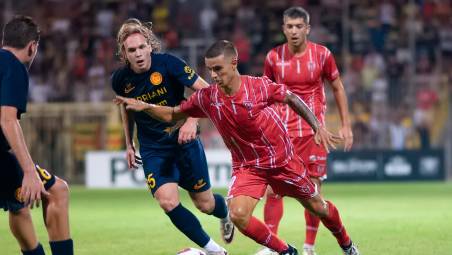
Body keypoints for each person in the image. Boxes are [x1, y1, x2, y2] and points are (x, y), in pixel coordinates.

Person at [115, 40, 360, 255]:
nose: (213, 75)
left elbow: (291, 97)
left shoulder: (258, 87)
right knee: (238, 215)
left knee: (319, 208)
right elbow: (172, 114)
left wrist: (317, 125)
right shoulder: (208, 97)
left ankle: (347, 244)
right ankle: (286, 251)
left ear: (234, 63)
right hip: (248, 167)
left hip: (282, 161)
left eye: (218, 69)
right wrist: (144, 106)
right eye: (210, 70)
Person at [111, 19, 233, 255]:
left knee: (205, 204)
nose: (138, 54)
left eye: (141, 47)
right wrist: (128, 143)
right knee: (167, 201)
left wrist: (191, 120)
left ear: (150, 46)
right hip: (154, 149)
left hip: (184, 143)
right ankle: (216, 251)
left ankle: (225, 211)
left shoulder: (169, 64)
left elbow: (207, 92)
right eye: (131, 50)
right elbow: (125, 108)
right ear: (124, 54)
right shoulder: (120, 79)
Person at [260, 7, 354, 255]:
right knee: (273, 189)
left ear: (307, 29)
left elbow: (338, 87)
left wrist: (345, 124)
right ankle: (272, 247)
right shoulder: (273, 58)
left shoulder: (322, 55)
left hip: (313, 133)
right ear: (283, 29)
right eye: (289, 26)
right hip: (282, 134)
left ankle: (309, 247)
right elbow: (267, 95)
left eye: (298, 26)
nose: (293, 31)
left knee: (313, 192)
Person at [0, 15, 73, 255]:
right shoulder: (13, 66)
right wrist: (30, 172)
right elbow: (8, 120)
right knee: (56, 190)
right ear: (33, 46)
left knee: (18, 204)